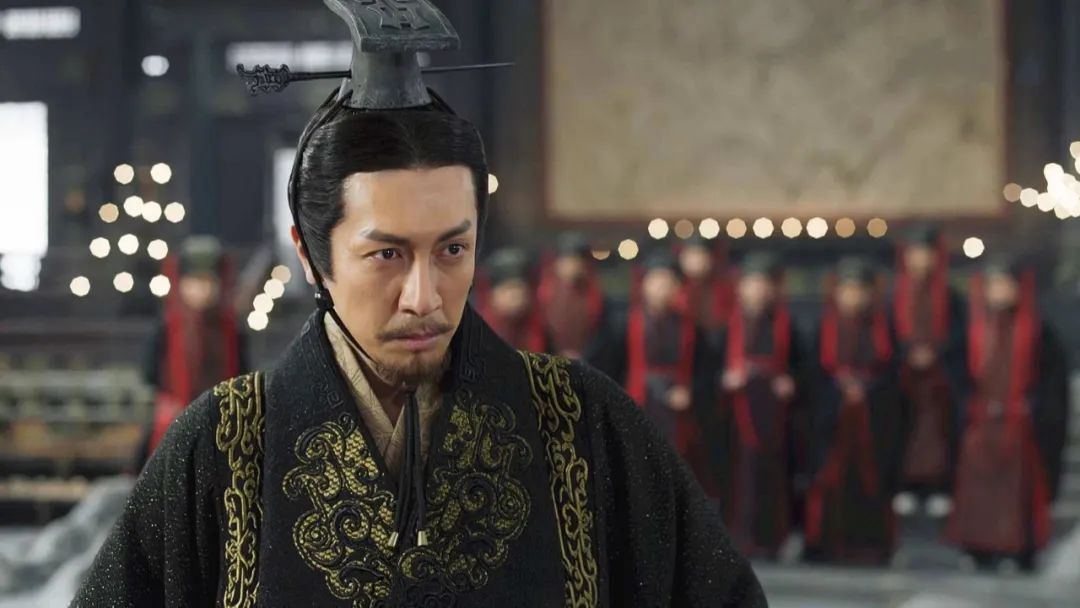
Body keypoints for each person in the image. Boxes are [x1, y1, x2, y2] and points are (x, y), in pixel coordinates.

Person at [72, 3, 764, 606]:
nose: (424, 297)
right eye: (387, 255)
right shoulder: (221, 446)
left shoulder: (585, 423)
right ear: (310, 254)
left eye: (453, 249)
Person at [947, 255, 1069, 571]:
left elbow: (1052, 380)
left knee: (1018, 493)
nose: (999, 291)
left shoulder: (1038, 331)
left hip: (1019, 423)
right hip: (980, 423)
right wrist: (968, 404)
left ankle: (1019, 551)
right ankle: (977, 548)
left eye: (1005, 285)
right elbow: (957, 375)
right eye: (993, 285)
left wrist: (1033, 406)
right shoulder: (973, 330)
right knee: (979, 491)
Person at [805, 257, 909, 564]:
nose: (853, 297)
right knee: (829, 480)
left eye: (860, 290)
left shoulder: (884, 330)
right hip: (833, 419)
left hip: (872, 418)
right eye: (847, 290)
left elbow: (894, 378)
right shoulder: (823, 329)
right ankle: (824, 545)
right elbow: (812, 376)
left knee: (871, 481)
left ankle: (871, 547)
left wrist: (867, 390)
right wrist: (839, 390)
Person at [715, 253, 806, 559]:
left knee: (773, 473)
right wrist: (725, 378)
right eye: (752, 284)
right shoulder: (727, 325)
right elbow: (709, 367)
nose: (758, 291)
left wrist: (790, 381)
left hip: (774, 412)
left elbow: (801, 368)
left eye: (764, 284)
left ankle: (772, 540)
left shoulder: (787, 326)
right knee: (738, 474)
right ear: (740, 288)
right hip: (736, 413)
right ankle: (735, 539)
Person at [135, 235, 246, 467]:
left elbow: (243, 374)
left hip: (222, 420)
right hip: (175, 418)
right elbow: (150, 373)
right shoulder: (167, 328)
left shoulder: (231, 330)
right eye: (194, 282)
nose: (202, 290)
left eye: (208, 282)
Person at [891, 226, 967, 518]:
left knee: (939, 433)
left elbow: (961, 335)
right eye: (915, 253)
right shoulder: (895, 295)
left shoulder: (950, 296)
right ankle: (904, 486)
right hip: (904, 375)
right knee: (903, 429)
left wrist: (935, 352)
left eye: (926, 253)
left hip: (940, 376)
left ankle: (940, 488)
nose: (920, 259)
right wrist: (907, 353)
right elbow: (888, 333)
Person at [624, 251, 716, 493]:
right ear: (643, 285)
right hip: (638, 401)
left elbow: (706, 372)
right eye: (655, 281)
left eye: (668, 282)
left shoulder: (691, 328)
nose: (661, 288)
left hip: (676, 408)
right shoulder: (626, 324)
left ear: (678, 288)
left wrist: (690, 391)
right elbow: (614, 368)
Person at [537, 231, 624, 380]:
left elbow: (603, 339)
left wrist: (583, 356)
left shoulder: (596, 299)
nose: (572, 267)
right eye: (566, 261)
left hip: (588, 367)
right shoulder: (544, 296)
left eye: (577, 262)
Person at [476, 247, 547, 352]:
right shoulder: (477, 332)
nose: (516, 296)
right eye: (508, 289)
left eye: (520, 289)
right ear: (492, 295)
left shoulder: (540, 329)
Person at [679, 234, 734, 352]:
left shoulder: (724, 288)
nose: (696, 261)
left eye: (700, 255)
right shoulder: (677, 287)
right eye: (691, 256)